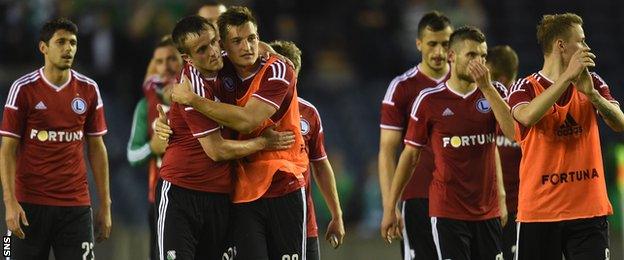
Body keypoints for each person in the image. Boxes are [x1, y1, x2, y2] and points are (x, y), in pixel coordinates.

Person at [170, 6, 309, 259]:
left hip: (283, 184)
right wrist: (170, 119)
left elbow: (247, 121)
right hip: (241, 191)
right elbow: (188, 73)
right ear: (225, 46)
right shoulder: (218, 67)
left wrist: (192, 100)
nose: (247, 47)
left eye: (252, 38)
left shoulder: (277, 70)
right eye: (237, 41)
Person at [381, 26, 514, 260]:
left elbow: (514, 134)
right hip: (447, 212)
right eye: (472, 55)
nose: (479, 62)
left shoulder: (496, 92)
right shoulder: (429, 100)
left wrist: (487, 88)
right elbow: (410, 156)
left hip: (488, 210)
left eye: (483, 56)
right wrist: (391, 207)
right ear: (452, 56)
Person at [507, 13, 624, 260]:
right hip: (540, 212)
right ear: (561, 45)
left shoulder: (592, 82)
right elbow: (527, 117)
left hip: (588, 211)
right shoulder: (525, 87)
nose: (587, 47)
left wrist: (593, 96)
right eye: (581, 41)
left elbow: (620, 123)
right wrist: (566, 78)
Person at [0, 18, 111, 259]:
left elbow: (97, 148)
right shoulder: (23, 89)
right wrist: (9, 202)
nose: (68, 48)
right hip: (28, 205)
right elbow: (7, 149)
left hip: (75, 206)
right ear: (44, 47)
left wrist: (105, 205)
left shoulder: (89, 89)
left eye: (72, 43)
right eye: (60, 42)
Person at [378, 11, 452, 260]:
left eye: (445, 44)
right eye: (432, 44)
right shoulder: (402, 87)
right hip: (419, 197)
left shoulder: (467, 83)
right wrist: (391, 205)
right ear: (419, 43)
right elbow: (387, 151)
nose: (439, 52)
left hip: (463, 199)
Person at [270, 40, 346, 259]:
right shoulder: (252, 111)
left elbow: (320, 165)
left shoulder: (308, 113)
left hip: (302, 221)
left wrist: (337, 214)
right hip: (259, 217)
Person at [126, 35, 181, 260]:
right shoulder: (145, 106)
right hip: (160, 201)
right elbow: (132, 154)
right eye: (158, 61)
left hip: (205, 197)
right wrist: (153, 147)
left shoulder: (203, 97)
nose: (165, 66)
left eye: (171, 59)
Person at [485, 45, 521, 260]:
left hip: (518, 211)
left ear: (503, 79)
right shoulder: (480, 108)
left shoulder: (522, 109)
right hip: (485, 210)